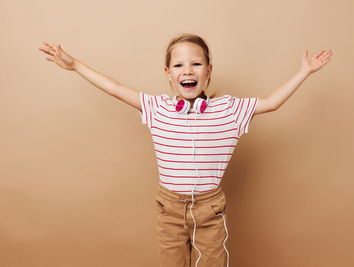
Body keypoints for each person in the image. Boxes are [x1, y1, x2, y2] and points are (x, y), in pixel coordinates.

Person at [38, 33, 333, 267]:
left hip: (210, 209)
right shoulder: (157, 108)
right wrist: (74, 65)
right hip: (168, 208)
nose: (187, 70)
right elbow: (115, 88)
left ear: (208, 71)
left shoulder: (229, 109)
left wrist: (304, 72)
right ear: (168, 73)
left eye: (196, 64)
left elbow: (271, 102)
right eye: (178, 65)